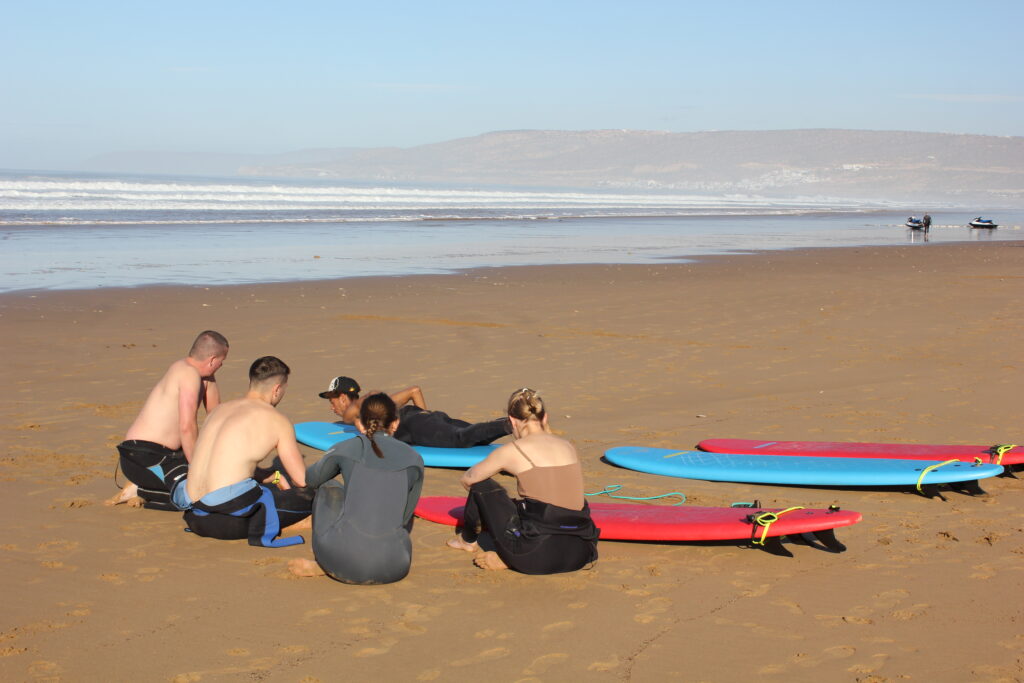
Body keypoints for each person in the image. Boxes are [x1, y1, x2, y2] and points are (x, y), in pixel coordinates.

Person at [446, 388, 599, 574]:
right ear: (545, 417)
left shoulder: (512, 450)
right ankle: (512, 556)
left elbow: (468, 479)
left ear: (512, 421)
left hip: (535, 554)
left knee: (482, 485)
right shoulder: (568, 446)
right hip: (581, 552)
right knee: (540, 507)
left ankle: (468, 541)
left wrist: (494, 506)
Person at [174, 356, 313, 548]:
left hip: (194, 517)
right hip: (230, 523)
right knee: (314, 494)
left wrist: (274, 476)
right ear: (277, 389)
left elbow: (225, 464)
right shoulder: (277, 420)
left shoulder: (218, 411)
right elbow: (302, 481)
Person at [289, 392, 425, 583]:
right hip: (396, 566)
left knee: (329, 485)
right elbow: (404, 516)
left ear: (360, 424)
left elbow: (311, 480)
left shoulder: (347, 447)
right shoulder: (415, 459)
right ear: (395, 423)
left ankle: (326, 562)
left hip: (345, 561)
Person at [107, 330, 229, 510]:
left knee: (217, 479)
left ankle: (147, 488)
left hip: (167, 455)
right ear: (212, 360)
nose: (221, 365)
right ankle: (139, 489)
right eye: (221, 361)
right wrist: (197, 468)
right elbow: (187, 427)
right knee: (199, 497)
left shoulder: (201, 376)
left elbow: (216, 417)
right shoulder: (188, 374)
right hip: (143, 456)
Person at [318, 376, 509, 448]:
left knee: (461, 439)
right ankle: (512, 421)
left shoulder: (355, 411)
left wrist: (426, 425)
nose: (331, 407)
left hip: (416, 424)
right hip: (424, 417)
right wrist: (427, 418)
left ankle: (509, 423)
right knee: (479, 438)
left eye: (332, 401)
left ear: (342, 397)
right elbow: (414, 391)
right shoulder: (378, 405)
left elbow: (352, 414)